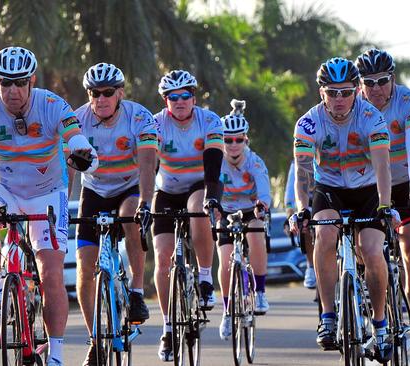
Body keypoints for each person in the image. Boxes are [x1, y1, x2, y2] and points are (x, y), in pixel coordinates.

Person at [0, 46, 98, 366]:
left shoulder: (52, 105)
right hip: (6, 187)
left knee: (50, 272)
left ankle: (56, 353)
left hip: (47, 191)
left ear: (31, 81)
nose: (12, 91)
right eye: (5, 83)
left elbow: (76, 138)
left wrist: (84, 152)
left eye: (19, 82)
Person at [290, 57, 393, 362]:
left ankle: (380, 324)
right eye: (332, 92)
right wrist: (303, 209)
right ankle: (328, 315)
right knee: (324, 236)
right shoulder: (308, 123)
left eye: (346, 92)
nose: (339, 99)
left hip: (367, 190)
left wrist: (385, 204)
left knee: (372, 251)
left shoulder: (372, 117)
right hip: (330, 189)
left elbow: (383, 166)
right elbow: (304, 172)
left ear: (356, 90)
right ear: (321, 92)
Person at [70, 63, 158, 365]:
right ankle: (95, 339)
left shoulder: (140, 117)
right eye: (94, 93)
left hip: (129, 186)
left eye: (108, 92)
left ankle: (135, 291)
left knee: (132, 216)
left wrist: (147, 202)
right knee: (84, 267)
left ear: (120, 93)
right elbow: (67, 169)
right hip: (93, 191)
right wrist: (58, 207)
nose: (101, 98)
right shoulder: (78, 120)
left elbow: (148, 164)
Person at [356, 49, 410, 365]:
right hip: (367, 186)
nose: (375, 89)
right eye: (368, 83)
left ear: (393, 79)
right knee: (364, 248)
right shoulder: (351, 106)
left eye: (382, 82)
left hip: (405, 182)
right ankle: (365, 284)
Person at [152, 70, 223, 361]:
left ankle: (205, 279)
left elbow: (213, 163)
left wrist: (212, 197)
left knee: (198, 208)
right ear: (166, 100)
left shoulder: (209, 121)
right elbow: (148, 165)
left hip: (200, 183)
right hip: (167, 189)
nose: (179, 102)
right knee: (162, 257)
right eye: (173, 97)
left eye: (185, 96)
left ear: (193, 98)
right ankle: (168, 328)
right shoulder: (155, 124)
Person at [216, 99, 272, 340]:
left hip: (251, 209)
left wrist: (262, 205)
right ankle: (228, 311)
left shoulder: (254, 161)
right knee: (225, 260)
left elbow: (264, 189)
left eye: (239, 139)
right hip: (226, 210)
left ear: (246, 140)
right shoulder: (216, 161)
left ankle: (260, 292)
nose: (233, 144)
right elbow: (208, 187)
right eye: (228, 140)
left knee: (257, 235)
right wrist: (214, 207)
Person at [284, 160, 316, 288]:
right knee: (305, 224)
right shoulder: (297, 162)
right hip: (308, 201)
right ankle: (311, 266)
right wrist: (290, 215)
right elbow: (290, 194)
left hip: (331, 196)